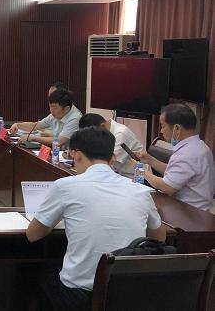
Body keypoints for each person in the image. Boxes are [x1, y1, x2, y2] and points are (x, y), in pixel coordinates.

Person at [26, 127, 165, 311]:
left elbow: (33, 235)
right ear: (112, 159)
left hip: (78, 296)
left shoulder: (64, 186)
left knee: (36, 272)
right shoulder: (140, 190)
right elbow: (159, 237)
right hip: (126, 294)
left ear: (77, 155)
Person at [139, 103, 215, 211]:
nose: (161, 131)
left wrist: (141, 171)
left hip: (189, 213)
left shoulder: (186, 154)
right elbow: (175, 172)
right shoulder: (200, 146)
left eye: (163, 126)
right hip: (201, 209)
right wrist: (150, 160)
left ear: (177, 128)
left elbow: (166, 187)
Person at [77, 113, 144, 178]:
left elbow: (106, 163)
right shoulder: (104, 132)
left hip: (136, 178)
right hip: (119, 174)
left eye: (93, 136)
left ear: (103, 126)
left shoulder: (120, 134)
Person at [9, 88, 82, 148]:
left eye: (55, 108)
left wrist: (34, 138)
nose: (51, 110)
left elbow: (59, 141)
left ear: (66, 109)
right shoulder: (55, 114)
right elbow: (36, 125)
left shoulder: (75, 118)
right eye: (50, 106)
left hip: (70, 157)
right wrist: (17, 125)